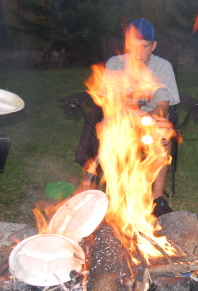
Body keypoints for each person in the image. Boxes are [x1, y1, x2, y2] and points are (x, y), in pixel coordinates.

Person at [77, 18, 180, 216]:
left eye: (145, 46)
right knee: (111, 133)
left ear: (153, 46)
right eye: (134, 46)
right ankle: (115, 195)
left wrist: (144, 120)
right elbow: (111, 105)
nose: (139, 52)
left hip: (149, 118)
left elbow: (162, 107)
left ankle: (157, 198)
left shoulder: (162, 67)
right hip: (120, 119)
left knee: (163, 136)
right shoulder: (115, 64)